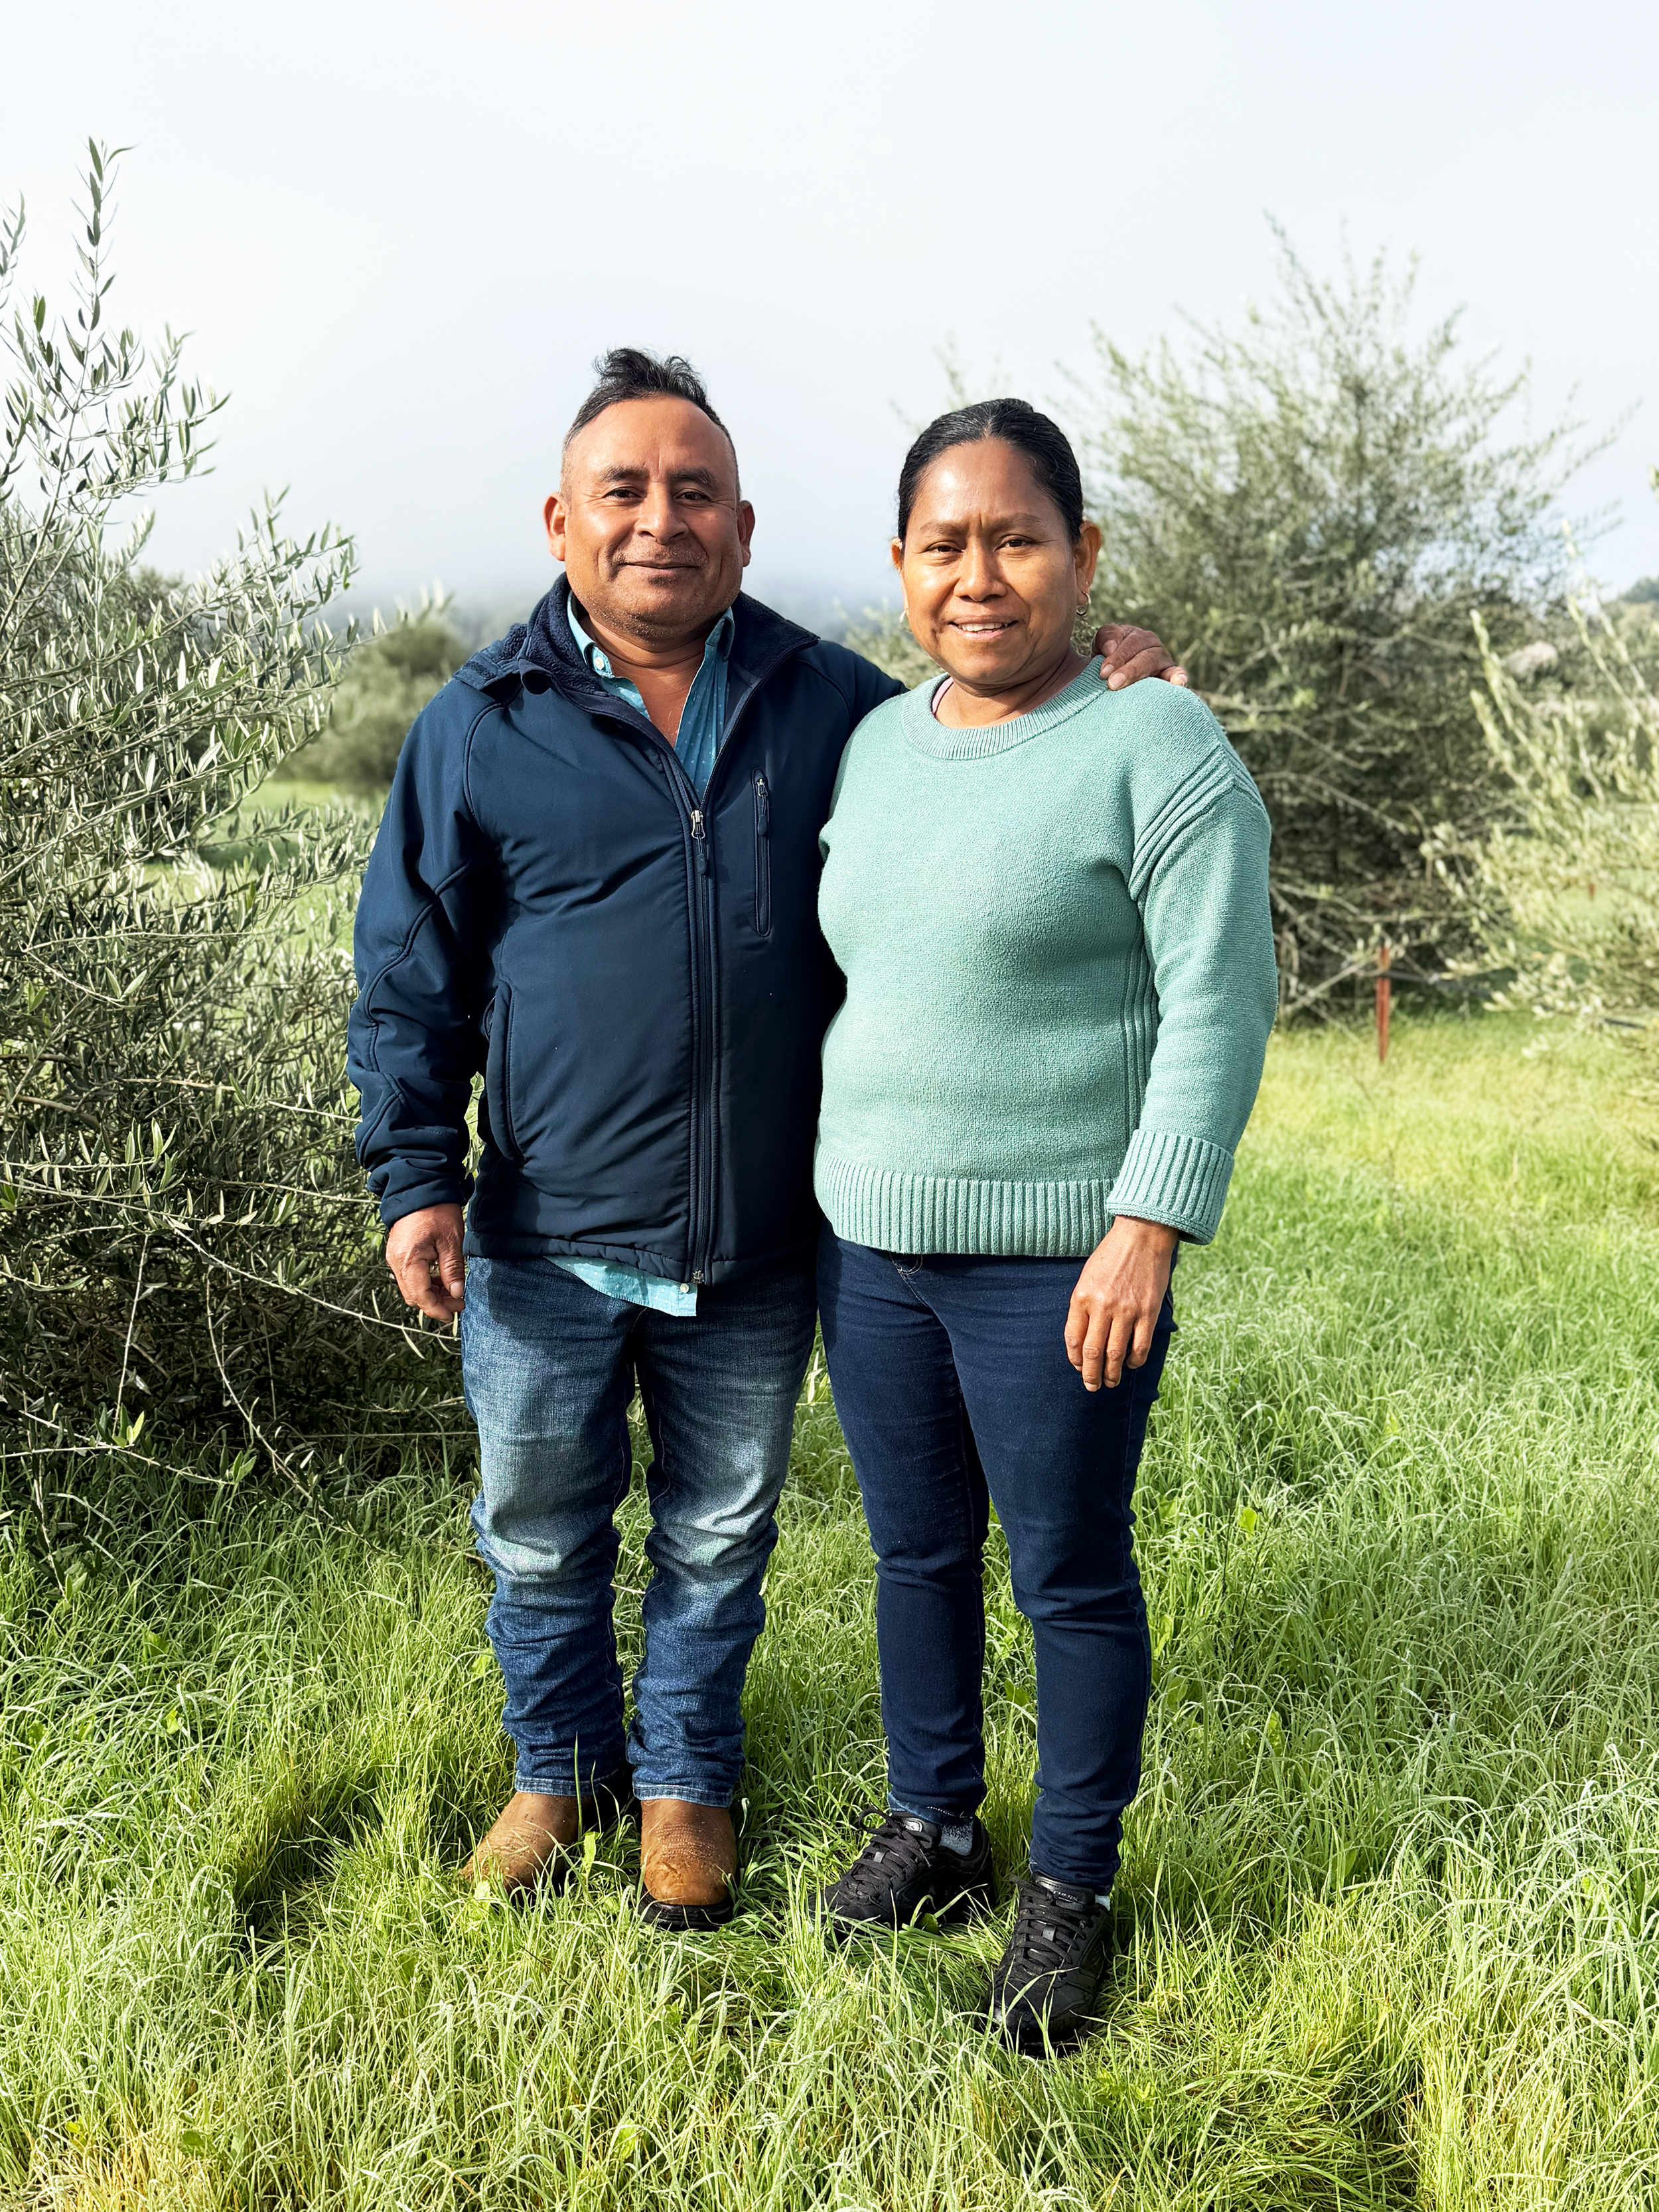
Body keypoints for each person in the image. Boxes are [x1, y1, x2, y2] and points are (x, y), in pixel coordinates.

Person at [347, 351, 1185, 1931]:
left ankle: (683, 1782)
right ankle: (554, 1772)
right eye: (623, 490)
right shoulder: (478, 725)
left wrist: (1114, 665)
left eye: (695, 492)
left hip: (755, 1229)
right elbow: (408, 970)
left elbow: (991, 723)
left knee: (720, 1532)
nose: (659, 519)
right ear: (561, 522)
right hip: (540, 1225)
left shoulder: (835, 711)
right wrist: (414, 1180)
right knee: (537, 1530)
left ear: (743, 525)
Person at [811, 399, 1277, 2052]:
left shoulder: (1160, 744)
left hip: (1060, 1261)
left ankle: (1069, 1886)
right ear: (898, 563)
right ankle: (934, 1826)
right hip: (870, 1247)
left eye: (1016, 539)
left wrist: (1149, 1220)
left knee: (1067, 1575)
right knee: (914, 1552)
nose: (978, 574)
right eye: (944, 544)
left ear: (1080, 554)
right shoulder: (877, 744)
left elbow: (1218, 1001)